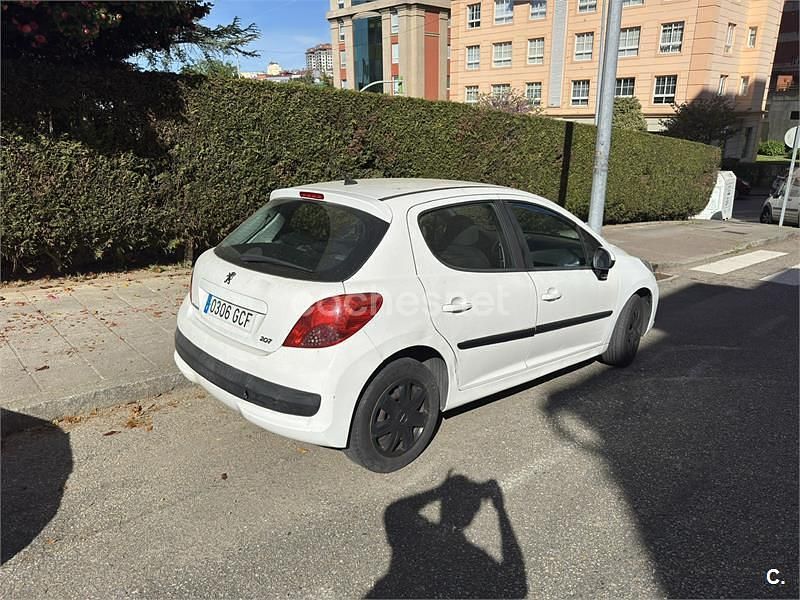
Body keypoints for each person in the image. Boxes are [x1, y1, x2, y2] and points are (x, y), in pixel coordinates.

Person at [366, 473, 527, 599]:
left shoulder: (418, 541)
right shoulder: (473, 559)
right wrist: (500, 510)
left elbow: (394, 511)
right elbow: (517, 584)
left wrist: (440, 491)